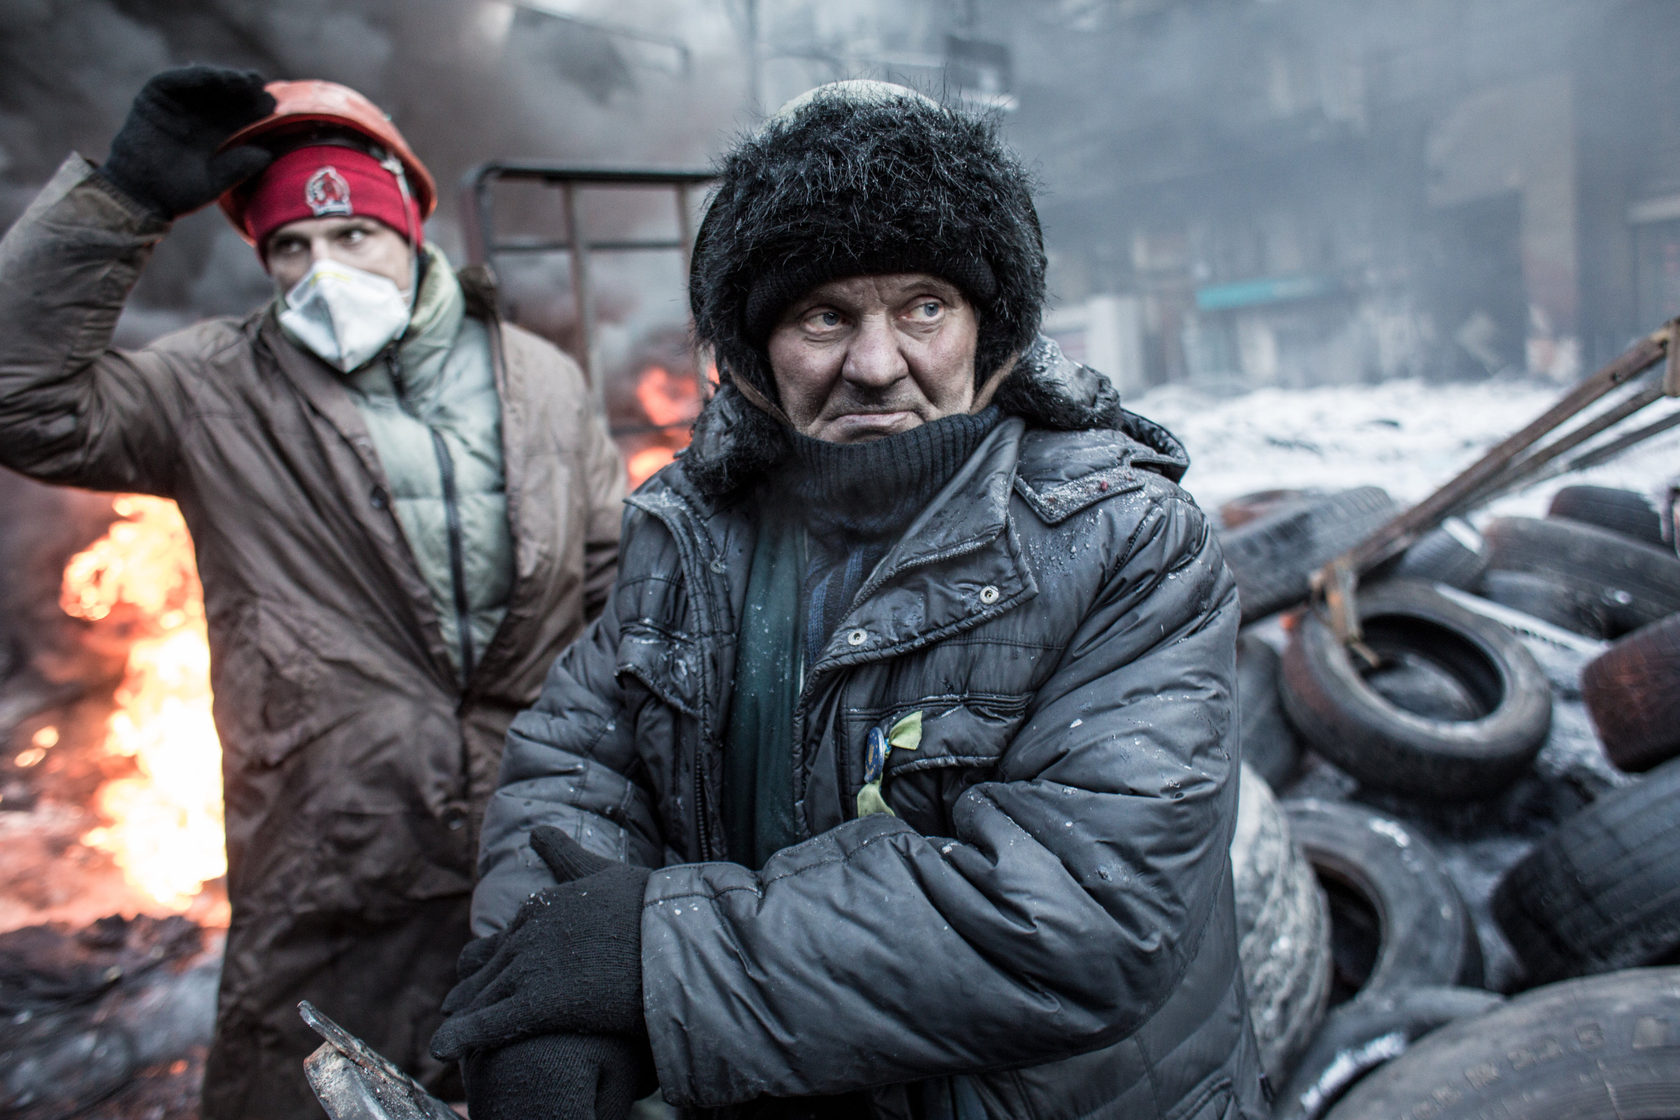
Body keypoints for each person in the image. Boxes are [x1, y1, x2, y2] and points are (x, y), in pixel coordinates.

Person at [434, 81, 1266, 1120]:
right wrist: (550, 1005)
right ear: (754, 351)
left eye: (924, 305)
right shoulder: (688, 531)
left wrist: (653, 959)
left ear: (987, 329)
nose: (876, 366)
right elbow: (576, 765)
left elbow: (1083, 913)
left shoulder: (1124, 542)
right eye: (825, 315)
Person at [0, 65, 625, 1118]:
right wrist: (121, 206)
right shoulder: (213, 386)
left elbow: (609, 584)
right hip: (330, 862)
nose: (323, 267)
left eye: (352, 236)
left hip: (526, 848)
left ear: (411, 229)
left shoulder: (540, 380)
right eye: (291, 245)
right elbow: (19, 395)